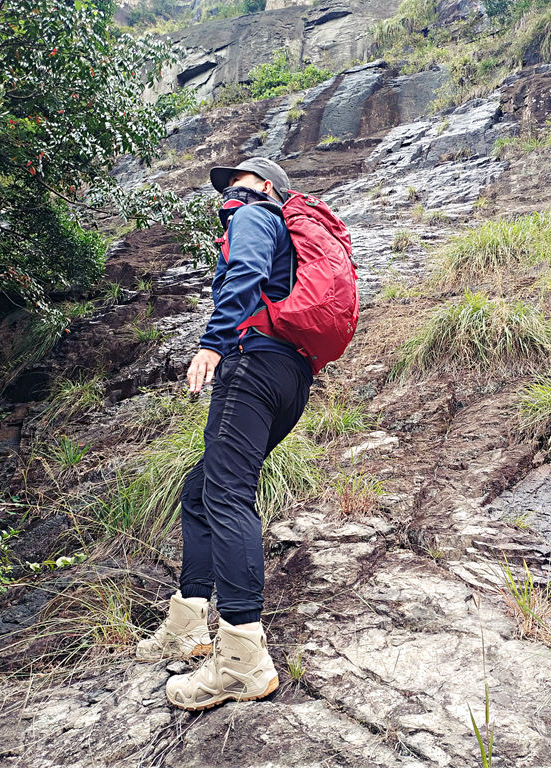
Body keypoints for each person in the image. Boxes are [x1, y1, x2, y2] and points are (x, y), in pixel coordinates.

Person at [134, 157, 313, 712]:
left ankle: (241, 660)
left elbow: (246, 273)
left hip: (253, 365)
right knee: (199, 493)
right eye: (227, 185)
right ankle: (188, 624)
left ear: (266, 187)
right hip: (290, 376)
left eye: (239, 181)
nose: (228, 191)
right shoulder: (290, 235)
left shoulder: (255, 214)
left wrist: (213, 343)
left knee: (227, 496)